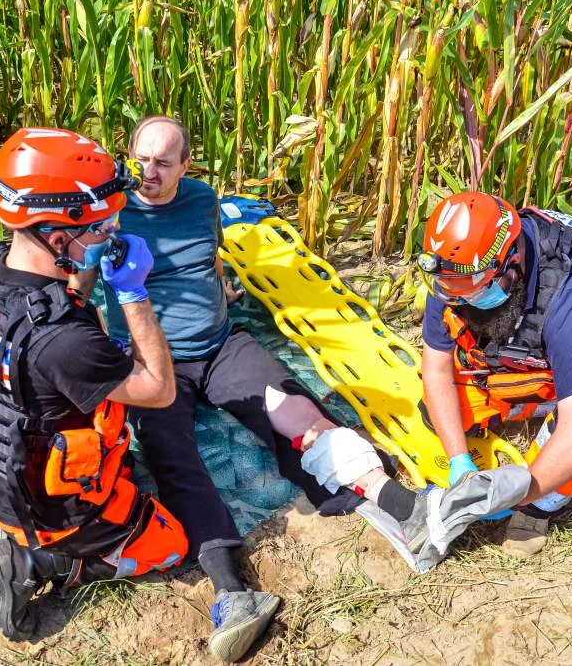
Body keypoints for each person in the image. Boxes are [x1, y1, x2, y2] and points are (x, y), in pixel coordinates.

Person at [93, 117, 526, 662]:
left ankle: (408, 510)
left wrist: (222, 289)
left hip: (219, 345)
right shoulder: (110, 213)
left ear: (186, 166)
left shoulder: (203, 201)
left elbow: (210, 257)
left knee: (301, 414)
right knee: (175, 459)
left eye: (163, 162)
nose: (148, 173)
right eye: (141, 160)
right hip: (152, 360)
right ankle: (232, 592)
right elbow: (79, 283)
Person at [0, 127, 188, 641]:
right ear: (59, 236)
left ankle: (16, 533)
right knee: (171, 544)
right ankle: (43, 560)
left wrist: (87, 269)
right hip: (52, 508)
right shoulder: (63, 342)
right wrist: (133, 293)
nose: (111, 231)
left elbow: (65, 306)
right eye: (102, 225)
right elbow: (158, 389)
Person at [417, 191, 572, 558]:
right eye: (452, 292)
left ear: (511, 263)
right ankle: (539, 400)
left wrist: (521, 492)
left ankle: (540, 508)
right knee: (438, 410)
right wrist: (459, 461)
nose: (459, 299)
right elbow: (436, 368)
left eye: (475, 291)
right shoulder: (457, 266)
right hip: (525, 350)